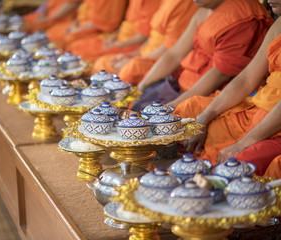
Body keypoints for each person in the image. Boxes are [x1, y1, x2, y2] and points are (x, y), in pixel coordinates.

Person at [173, 0, 281, 177]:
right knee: (193, 122)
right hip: (258, 111)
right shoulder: (279, 25)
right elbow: (246, 79)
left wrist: (243, 143)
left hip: (274, 124)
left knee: (239, 165)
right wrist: (205, 117)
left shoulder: (240, 15)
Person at [132, 0, 272, 112]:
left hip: (215, 93)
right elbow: (175, 53)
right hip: (184, 83)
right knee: (139, 104)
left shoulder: (240, 18)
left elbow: (219, 75)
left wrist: (172, 106)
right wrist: (143, 86)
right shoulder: (205, 9)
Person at [91, 0, 198, 84]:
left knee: (126, 68)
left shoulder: (186, 4)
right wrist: (131, 54)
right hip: (146, 51)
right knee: (102, 62)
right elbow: (151, 35)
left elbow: (172, 48)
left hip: (162, 58)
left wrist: (134, 56)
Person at [64, 0, 159, 62]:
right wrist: (114, 37)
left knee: (83, 53)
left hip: (131, 44)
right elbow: (125, 22)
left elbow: (143, 35)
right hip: (119, 37)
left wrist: (119, 44)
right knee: (75, 47)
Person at [46, 0, 127, 49]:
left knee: (73, 45)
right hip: (81, 25)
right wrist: (74, 24)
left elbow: (102, 22)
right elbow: (83, 8)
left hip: (97, 30)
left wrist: (76, 30)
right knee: (51, 33)